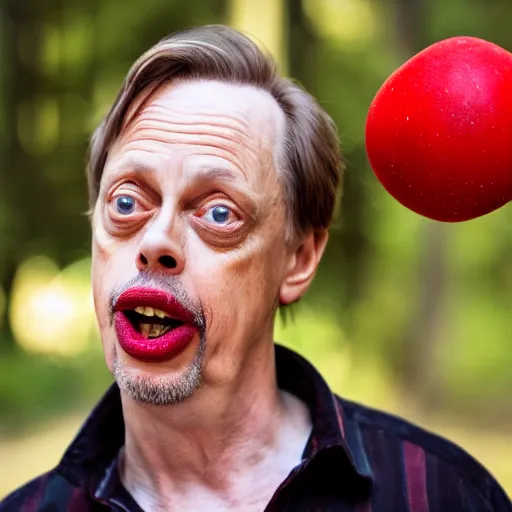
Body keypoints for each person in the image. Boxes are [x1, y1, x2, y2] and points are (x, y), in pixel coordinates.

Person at [1, 24, 510, 512]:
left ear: (299, 259)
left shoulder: (445, 495)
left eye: (219, 213)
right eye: (128, 203)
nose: (156, 241)